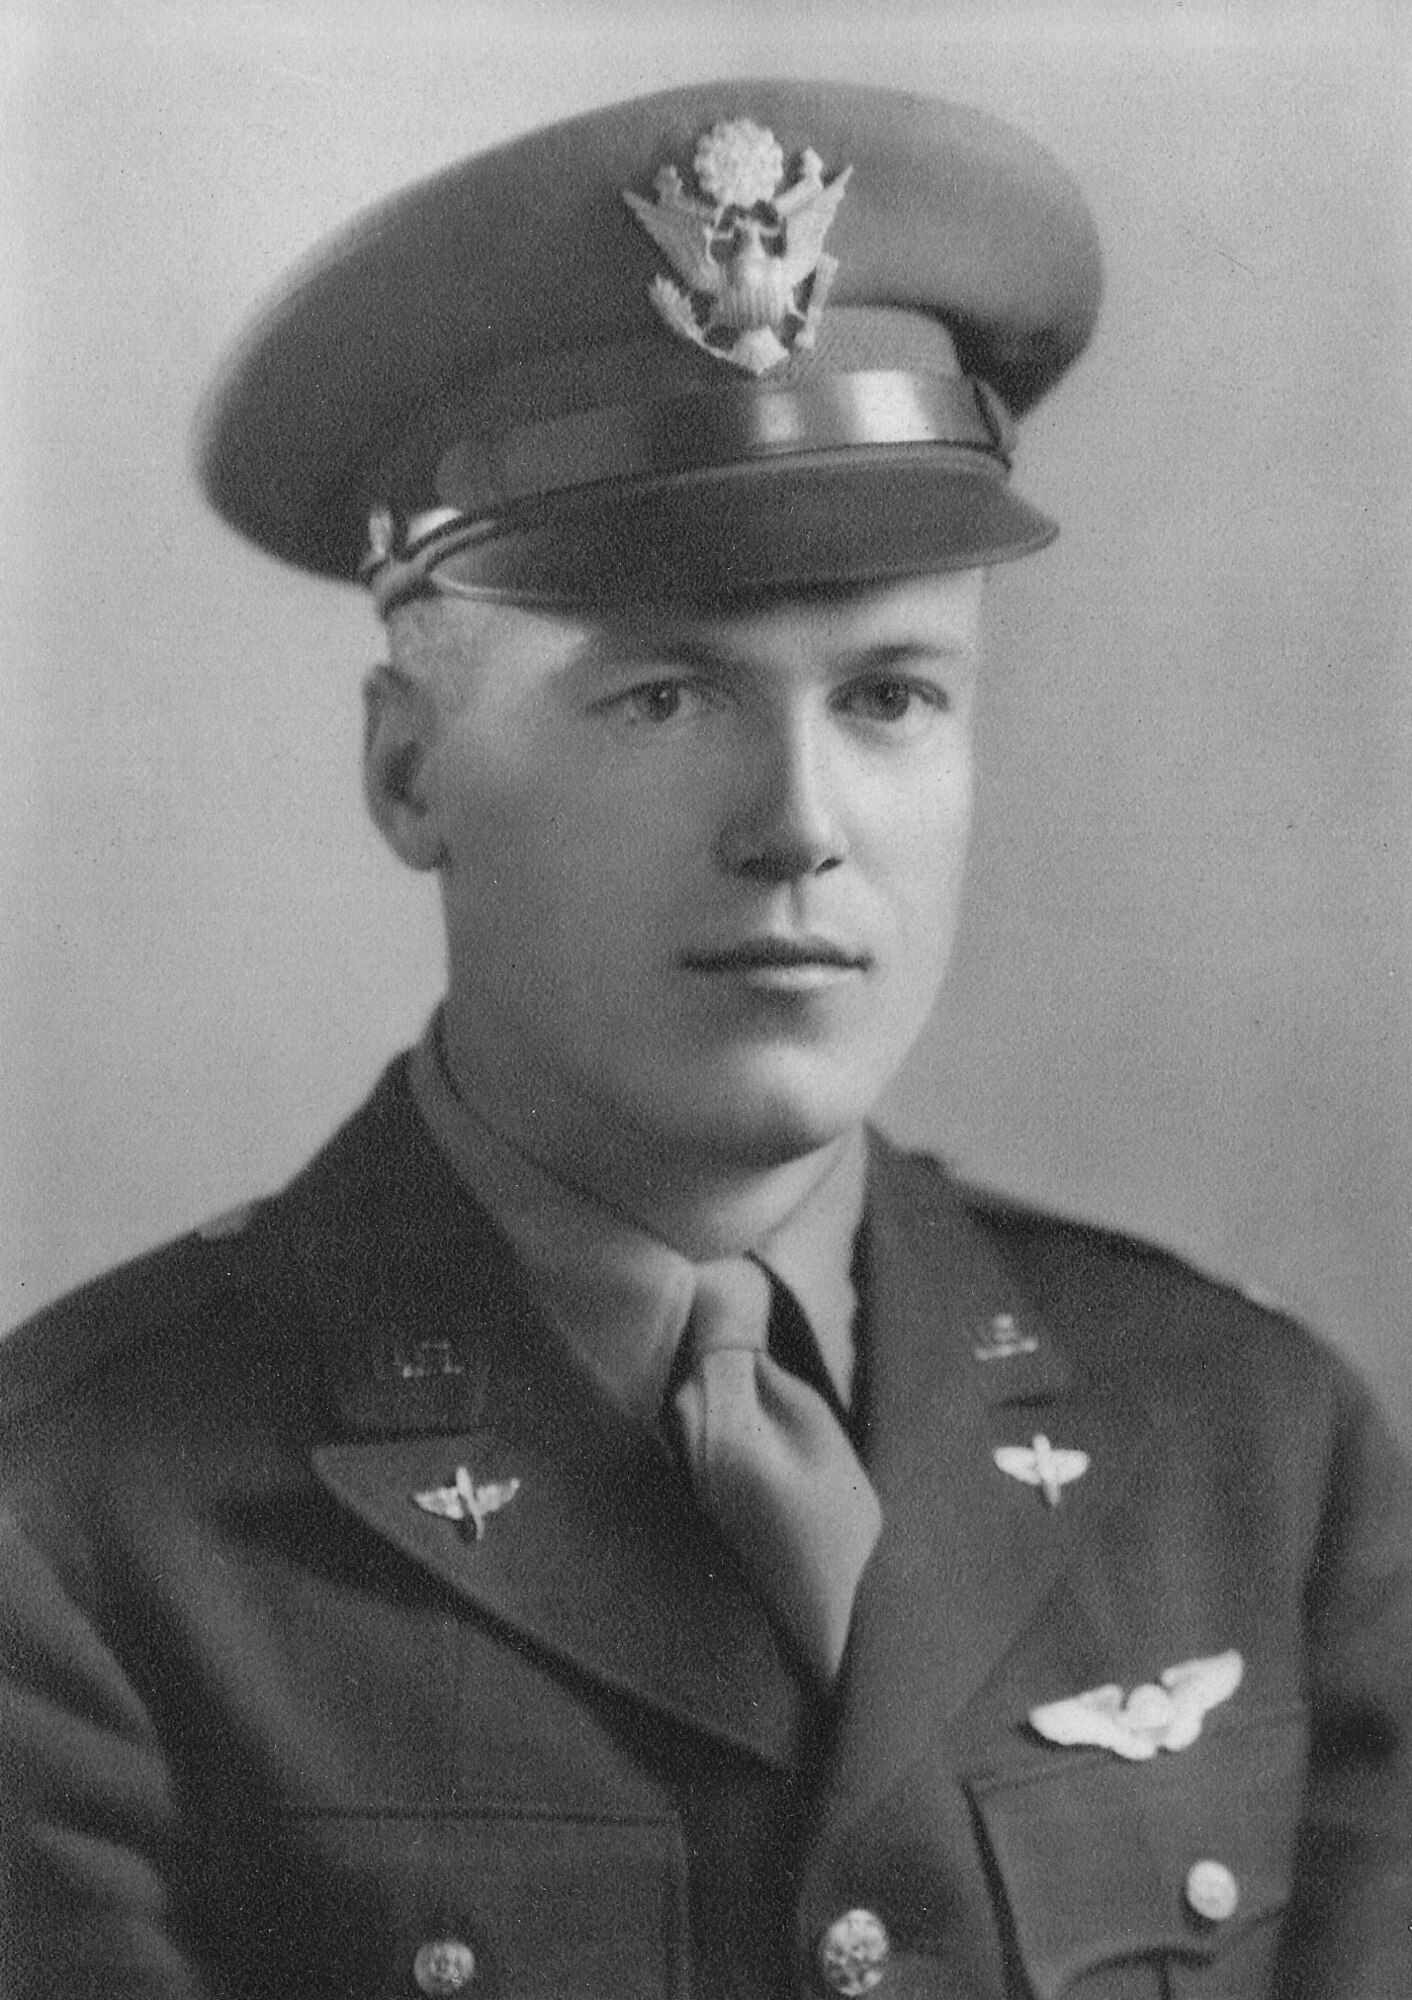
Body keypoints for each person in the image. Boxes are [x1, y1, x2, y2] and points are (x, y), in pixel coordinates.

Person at [1, 76, 1407, 2000]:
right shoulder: (77, 1535)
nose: (801, 822)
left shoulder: (1257, 1455)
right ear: (412, 771)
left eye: (894, 697)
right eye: (663, 698)